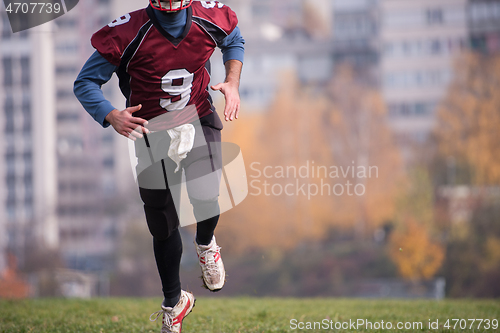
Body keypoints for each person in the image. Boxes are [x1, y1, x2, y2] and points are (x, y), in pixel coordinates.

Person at [73, 0, 244, 332]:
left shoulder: (209, 17)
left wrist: (232, 80)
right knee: (162, 223)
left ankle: (206, 243)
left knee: (206, 190)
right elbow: (85, 83)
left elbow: (233, 38)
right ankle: (173, 303)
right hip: (150, 130)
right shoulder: (128, 31)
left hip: (197, 116)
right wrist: (110, 114)